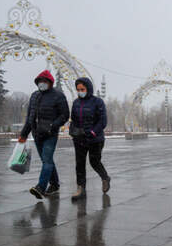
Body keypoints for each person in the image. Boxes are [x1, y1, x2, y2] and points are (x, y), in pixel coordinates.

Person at [19, 70, 69, 199]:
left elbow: (64, 115)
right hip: (37, 134)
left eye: (44, 81)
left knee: (46, 160)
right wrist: (24, 134)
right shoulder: (34, 96)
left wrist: (53, 125)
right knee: (47, 160)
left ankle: (41, 187)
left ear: (50, 82)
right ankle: (55, 184)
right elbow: (30, 117)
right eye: (40, 81)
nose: (42, 84)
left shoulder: (58, 96)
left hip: (50, 134)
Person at [69, 77, 110, 200]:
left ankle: (105, 178)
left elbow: (103, 121)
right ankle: (81, 189)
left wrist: (93, 132)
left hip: (95, 139)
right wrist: (73, 131)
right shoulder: (76, 103)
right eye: (78, 89)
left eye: (82, 89)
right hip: (79, 139)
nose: (80, 91)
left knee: (94, 162)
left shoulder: (97, 102)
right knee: (79, 164)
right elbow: (74, 119)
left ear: (88, 88)